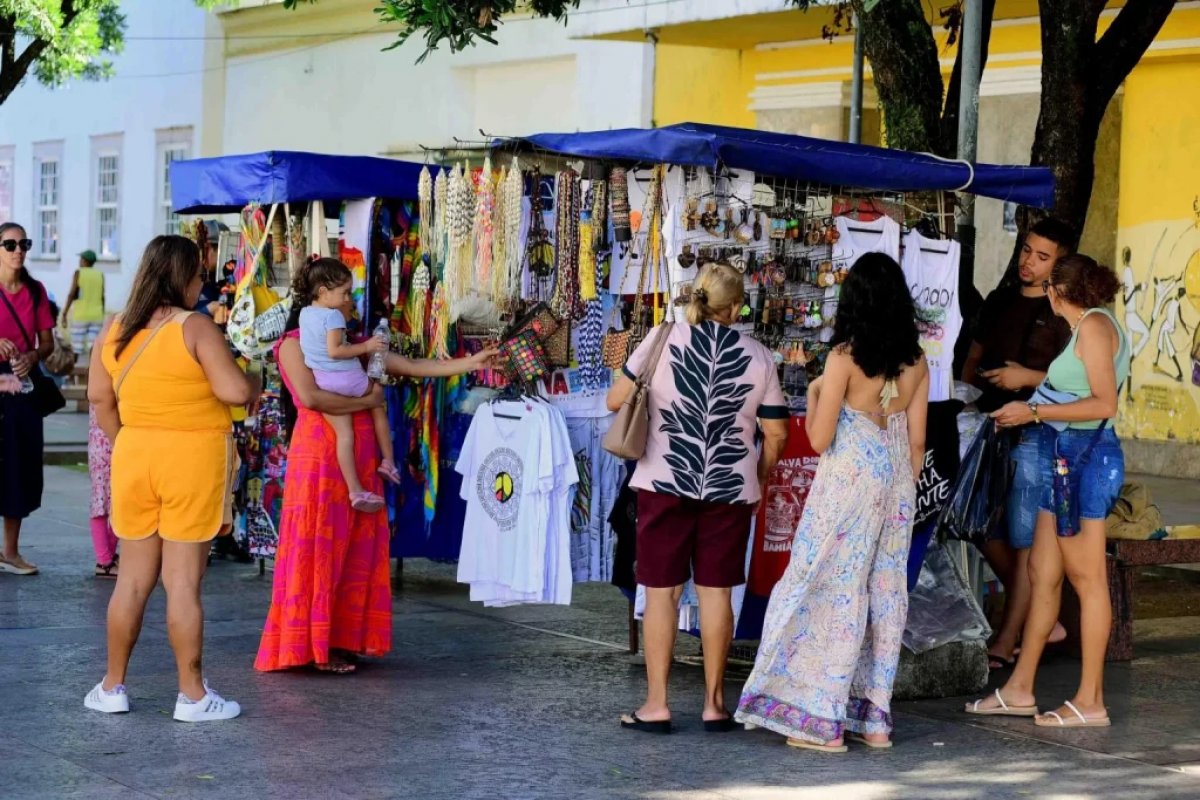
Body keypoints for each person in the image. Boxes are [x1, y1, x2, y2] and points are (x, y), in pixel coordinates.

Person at [255, 259, 497, 674]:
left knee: (356, 549)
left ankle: (343, 639)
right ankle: (313, 644)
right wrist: (366, 403)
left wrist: (471, 364)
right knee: (319, 546)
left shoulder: (354, 347)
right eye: (346, 294)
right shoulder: (294, 345)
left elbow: (415, 367)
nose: (352, 302)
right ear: (320, 297)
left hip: (360, 461)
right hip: (319, 458)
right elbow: (310, 399)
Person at [736, 253, 928, 752]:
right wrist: (899, 489)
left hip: (848, 481)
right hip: (896, 483)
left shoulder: (844, 356)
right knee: (886, 592)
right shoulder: (917, 359)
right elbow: (916, 442)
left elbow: (819, 440)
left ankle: (823, 721)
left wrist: (820, 388)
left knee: (825, 584)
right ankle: (877, 721)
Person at [607, 262, 790, 735]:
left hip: (664, 482)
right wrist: (761, 475)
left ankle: (657, 704)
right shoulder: (759, 355)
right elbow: (776, 431)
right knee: (715, 593)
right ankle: (713, 704)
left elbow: (615, 400)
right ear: (734, 308)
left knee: (661, 592)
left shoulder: (662, 337)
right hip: (730, 490)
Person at [84, 235, 258, 722]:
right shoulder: (194, 326)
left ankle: (112, 686)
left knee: (132, 582)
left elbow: (101, 399)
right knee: (181, 584)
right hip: (193, 457)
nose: (203, 284)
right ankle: (193, 695)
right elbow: (232, 389)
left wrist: (130, 440)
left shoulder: (115, 329)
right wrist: (255, 381)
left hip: (136, 456)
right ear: (181, 277)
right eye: (199, 276)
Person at [966, 254, 1129, 728]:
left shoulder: (1096, 327)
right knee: (1041, 572)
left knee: (1087, 580)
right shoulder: (1086, 327)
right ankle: (1019, 688)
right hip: (1059, 459)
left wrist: (1033, 413)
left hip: (1081, 461)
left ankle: (1091, 700)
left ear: (1058, 291)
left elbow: (1104, 403)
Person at [960, 218, 1076, 670]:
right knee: (975, 522)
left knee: (1027, 538)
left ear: (1061, 265)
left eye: (1042, 256)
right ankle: (1044, 617)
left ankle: (1006, 641)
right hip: (988, 426)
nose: (1029, 261)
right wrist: (963, 397)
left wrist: (1025, 379)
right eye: (1027, 251)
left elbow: (1083, 381)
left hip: (1038, 432)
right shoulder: (1000, 299)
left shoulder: (1064, 313)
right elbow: (972, 356)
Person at [296, 258, 396, 511]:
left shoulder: (305, 314)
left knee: (345, 434)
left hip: (323, 382)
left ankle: (355, 490)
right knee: (377, 401)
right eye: (345, 292)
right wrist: (367, 346)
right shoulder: (333, 317)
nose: (347, 299)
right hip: (347, 379)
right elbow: (335, 350)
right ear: (323, 292)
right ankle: (389, 461)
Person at [0, 222, 54, 577]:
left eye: (24, 243)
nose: (18, 250)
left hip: (22, 388)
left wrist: (32, 357)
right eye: (10, 244)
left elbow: (47, 343)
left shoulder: (36, 291)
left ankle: (11, 552)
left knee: (19, 465)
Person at [88, 405, 118, 578]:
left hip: (112, 444)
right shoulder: (102, 385)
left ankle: (109, 556)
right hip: (104, 447)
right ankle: (104, 561)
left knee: (118, 502)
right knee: (101, 504)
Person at [61, 249, 106, 359]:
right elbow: (102, 296)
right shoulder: (100, 274)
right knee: (93, 348)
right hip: (97, 316)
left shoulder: (79, 273)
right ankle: (91, 373)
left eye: (81, 259)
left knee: (76, 348)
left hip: (81, 315)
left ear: (85, 261)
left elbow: (72, 294)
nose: (79, 261)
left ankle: (75, 372)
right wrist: (102, 313)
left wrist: (64, 313)